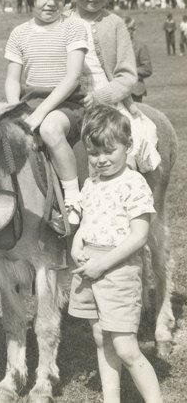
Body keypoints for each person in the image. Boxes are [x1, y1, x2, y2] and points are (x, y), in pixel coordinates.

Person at [69, 104, 163, 403]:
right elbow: (87, 221)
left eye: (109, 151)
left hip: (118, 268)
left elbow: (139, 236)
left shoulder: (133, 184)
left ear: (128, 146)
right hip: (91, 268)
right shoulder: (91, 183)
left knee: (125, 347)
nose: (101, 160)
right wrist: (77, 245)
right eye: (94, 153)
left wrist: (103, 264)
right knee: (101, 339)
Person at [4, 0, 87, 234]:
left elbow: (73, 77)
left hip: (67, 103)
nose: (50, 3)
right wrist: (14, 111)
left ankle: (73, 197)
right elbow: (13, 79)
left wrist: (41, 114)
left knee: (51, 129)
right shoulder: (19, 34)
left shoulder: (72, 27)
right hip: (32, 103)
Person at [69, 0, 160, 174]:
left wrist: (100, 97)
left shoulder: (115, 23)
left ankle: (124, 194)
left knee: (127, 150)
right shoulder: (63, 21)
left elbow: (128, 76)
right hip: (69, 98)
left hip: (109, 102)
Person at [124, 17, 152, 102]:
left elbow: (147, 69)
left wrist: (130, 70)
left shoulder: (140, 46)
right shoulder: (115, 47)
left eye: (127, 29)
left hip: (135, 91)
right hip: (117, 90)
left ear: (133, 31)